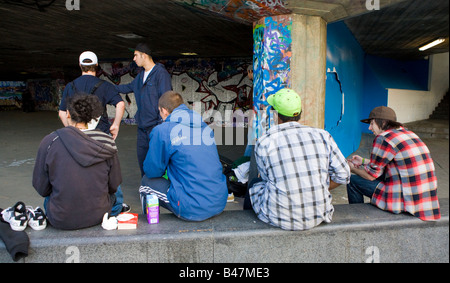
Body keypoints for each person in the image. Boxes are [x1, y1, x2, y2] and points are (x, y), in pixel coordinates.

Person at [246, 88, 351, 231]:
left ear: (275, 115)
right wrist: (318, 186)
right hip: (318, 215)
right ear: (300, 113)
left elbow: (266, 179)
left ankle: (246, 224)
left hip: (278, 217)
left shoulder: (264, 142)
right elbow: (343, 175)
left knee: (254, 184)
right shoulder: (322, 136)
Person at [33, 94, 124, 230]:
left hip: (60, 218)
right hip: (100, 215)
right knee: (117, 195)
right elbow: (114, 184)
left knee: (51, 196)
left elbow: (41, 187)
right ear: (94, 117)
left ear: (68, 114)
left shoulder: (50, 141)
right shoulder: (107, 141)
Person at [139, 91, 228, 221]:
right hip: (219, 200)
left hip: (191, 207)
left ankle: (147, 230)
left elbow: (152, 171)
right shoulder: (204, 126)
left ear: (164, 111)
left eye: (160, 112)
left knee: (145, 183)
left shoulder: (163, 130)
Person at [346, 106, 440, 221]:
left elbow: (370, 176)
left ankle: (357, 220)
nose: (370, 128)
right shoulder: (409, 134)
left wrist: (350, 168)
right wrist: (363, 161)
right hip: (424, 201)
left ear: (384, 122)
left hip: (403, 200)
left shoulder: (383, 138)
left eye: (372, 123)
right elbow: (390, 162)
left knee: (352, 181)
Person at [115, 43, 172, 176]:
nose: (134, 59)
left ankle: (159, 192)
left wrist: (161, 124)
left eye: (135, 55)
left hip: (155, 126)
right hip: (142, 127)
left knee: (157, 163)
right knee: (143, 161)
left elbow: (166, 99)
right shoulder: (141, 76)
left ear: (144, 55)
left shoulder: (160, 74)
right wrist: (105, 87)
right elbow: (127, 88)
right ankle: (146, 191)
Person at [59, 51, 125, 140]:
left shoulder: (70, 86)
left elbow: (62, 113)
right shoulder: (105, 85)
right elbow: (120, 104)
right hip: (101, 134)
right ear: (96, 65)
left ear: (80, 65)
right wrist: (116, 125)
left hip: (78, 136)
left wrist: (71, 128)